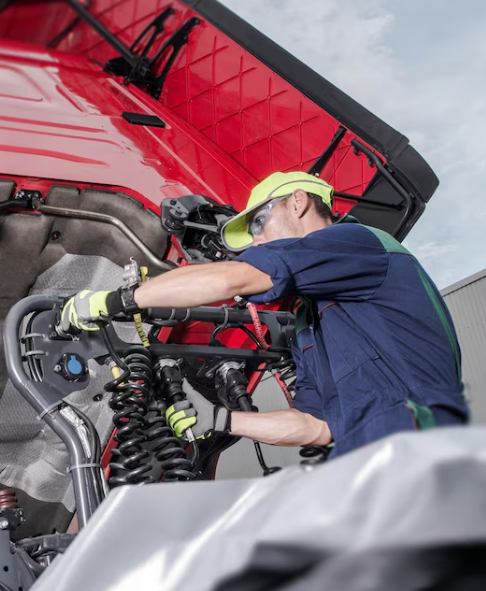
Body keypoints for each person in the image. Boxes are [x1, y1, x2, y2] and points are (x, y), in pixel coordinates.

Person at [62, 171, 467, 457]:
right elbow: (314, 426)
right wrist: (219, 419)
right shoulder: (313, 322)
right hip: (370, 464)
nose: (256, 239)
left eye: (259, 221)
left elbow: (235, 279)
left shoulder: (357, 242)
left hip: (416, 453)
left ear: (298, 201)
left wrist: (114, 301)